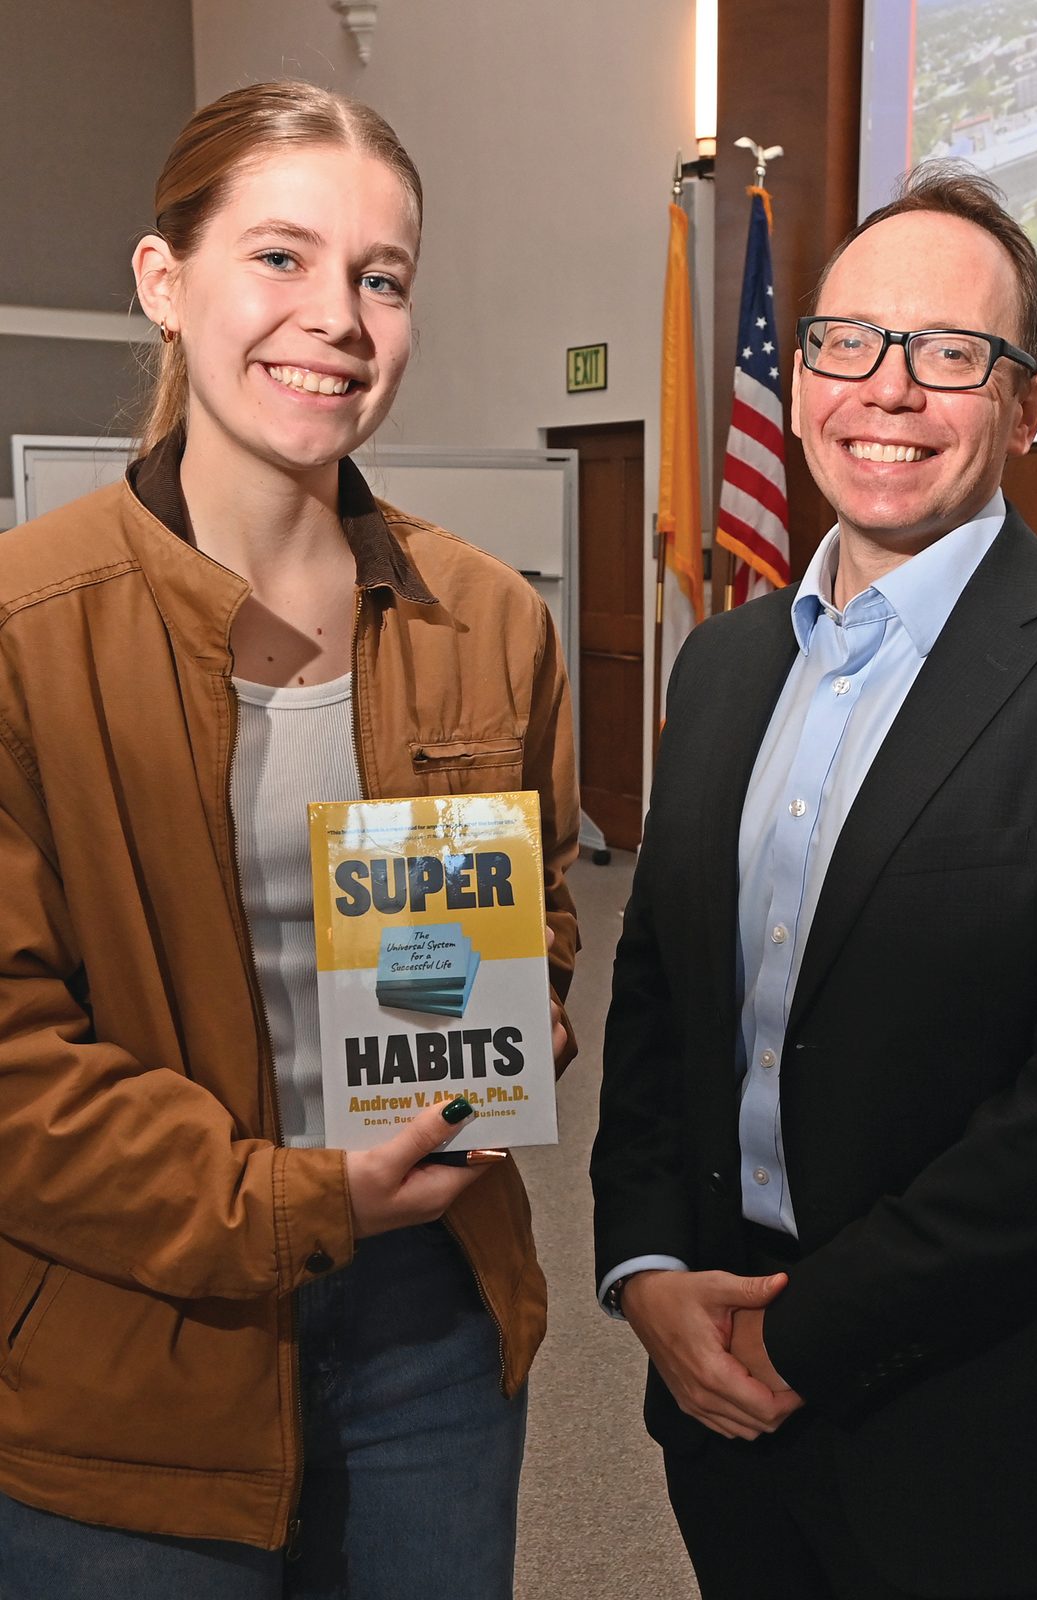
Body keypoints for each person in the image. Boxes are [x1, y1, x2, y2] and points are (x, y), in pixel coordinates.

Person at [590, 163, 1037, 1600]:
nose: (886, 392)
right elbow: (656, 998)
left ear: (1029, 406)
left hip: (987, 1424)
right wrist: (644, 1270)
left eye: (952, 354)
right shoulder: (721, 666)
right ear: (803, 367)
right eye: (849, 343)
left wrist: (801, 1334)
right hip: (719, 1393)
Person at [0, 82, 579, 1597]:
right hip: (128, 1354)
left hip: (428, 1336)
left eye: (379, 277)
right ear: (162, 281)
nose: (335, 316)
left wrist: (519, 1008)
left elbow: (544, 905)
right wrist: (300, 1199)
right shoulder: (20, 634)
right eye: (281, 257)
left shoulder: (490, 620)